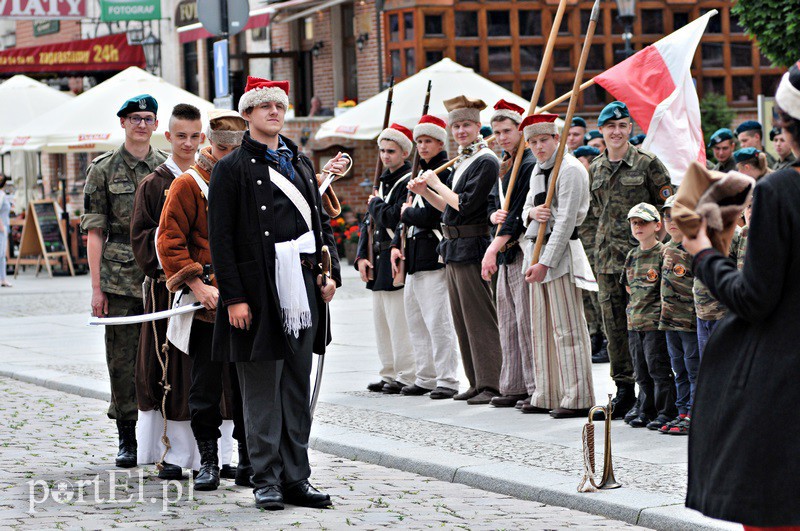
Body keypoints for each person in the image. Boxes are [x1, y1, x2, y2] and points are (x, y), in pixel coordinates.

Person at [207, 77, 342, 510]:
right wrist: (234, 298)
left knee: (296, 387)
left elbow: (319, 227)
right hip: (258, 291)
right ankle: (265, 477)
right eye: (264, 106)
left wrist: (329, 272)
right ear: (247, 114)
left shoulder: (299, 162)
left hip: (302, 287)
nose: (274, 113)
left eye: (279, 106)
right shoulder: (230, 169)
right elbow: (221, 240)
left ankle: (295, 477)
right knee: (263, 388)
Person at [683, 62, 800, 529]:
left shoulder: (782, 191)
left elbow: (754, 299)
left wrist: (705, 250)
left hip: (784, 385)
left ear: (786, 127)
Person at [157, 109, 251, 491]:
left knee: (247, 385)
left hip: (245, 298)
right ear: (211, 145)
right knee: (206, 386)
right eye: (225, 149)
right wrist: (197, 285)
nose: (231, 156)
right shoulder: (188, 185)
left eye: (237, 149)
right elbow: (169, 242)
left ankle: (249, 460)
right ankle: (209, 461)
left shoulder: (250, 178)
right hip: (207, 305)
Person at [130, 103, 221, 481]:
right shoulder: (154, 183)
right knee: (173, 375)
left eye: (194, 136)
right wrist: (183, 265)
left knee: (211, 376)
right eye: (180, 136)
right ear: (167, 137)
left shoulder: (218, 177)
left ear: (204, 138)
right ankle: (172, 453)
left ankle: (213, 456)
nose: (187, 143)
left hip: (212, 295)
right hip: (170, 293)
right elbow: (143, 240)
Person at [81, 94, 167, 467]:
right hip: (119, 280)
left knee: (166, 357)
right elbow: (94, 232)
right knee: (122, 360)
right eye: (135, 118)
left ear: (156, 124)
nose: (142, 124)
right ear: (123, 123)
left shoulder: (167, 168)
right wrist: (97, 289)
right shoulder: (102, 169)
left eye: (148, 118)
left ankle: (165, 434)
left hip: (162, 277)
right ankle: (127, 437)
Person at [409, 95, 502, 405]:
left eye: (466, 125)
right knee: (462, 319)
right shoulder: (465, 159)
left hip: (473, 244)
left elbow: (465, 205)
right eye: (456, 126)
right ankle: (475, 381)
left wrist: (435, 182)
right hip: (453, 244)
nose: (461, 131)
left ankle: (491, 382)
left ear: (478, 127)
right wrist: (428, 192)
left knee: (479, 318)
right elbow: (447, 210)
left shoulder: (486, 160)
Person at [589, 101, 673, 419]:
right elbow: (592, 217)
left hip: (642, 265)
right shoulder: (595, 168)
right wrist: (592, 252)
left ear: (630, 129)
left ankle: (651, 394)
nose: (616, 131)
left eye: (622, 125)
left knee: (645, 331)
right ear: (602, 131)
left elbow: (667, 212)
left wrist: (656, 254)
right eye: (610, 126)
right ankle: (624, 391)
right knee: (614, 329)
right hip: (607, 263)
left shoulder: (648, 164)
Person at [519, 113, 597, 418]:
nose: (538, 147)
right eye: (533, 142)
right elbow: (526, 207)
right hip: (535, 252)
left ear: (556, 139)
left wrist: (546, 263)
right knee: (542, 329)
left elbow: (565, 223)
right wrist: (533, 213)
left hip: (560, 256)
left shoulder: (571, 170)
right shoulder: (537, 171)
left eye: (543, 140)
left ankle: (578, 395)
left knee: (568, 329)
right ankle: (548, 392)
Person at [390, 115, 460, 399]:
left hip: (433, 254)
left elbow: (436, 214)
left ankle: (448, 378)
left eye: (427, 141)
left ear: (440, 142)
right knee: (416, 322)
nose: (422, 146)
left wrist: (407, 214)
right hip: (413, 257)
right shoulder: (419, 172)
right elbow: (406, 218)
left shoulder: (442, 173)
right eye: (419, 141)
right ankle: (426, 376)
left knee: (438, 322)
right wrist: (397, 241)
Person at [482, 100, 536, 408]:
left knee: (524, 322)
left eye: (508, 131)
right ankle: (513, 384)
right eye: (498, 132)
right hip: (502, 251)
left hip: (515, 249)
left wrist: (492, 247)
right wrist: (492, 218)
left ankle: (531, 385)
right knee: (507, 321)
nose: (502, 137)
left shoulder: (526, 164)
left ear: (520, 130)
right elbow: (494, 205)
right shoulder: (505, 164)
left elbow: (516, 214)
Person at [356, 123, 415, 395]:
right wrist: (360, 256)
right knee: (382, 321)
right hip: (377, 258)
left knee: (398, 320)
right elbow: (367, 223)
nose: (385, 156)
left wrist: (374, 204)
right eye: (382, 150)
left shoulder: (407, 181)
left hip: (394, 257)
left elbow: (393, 216)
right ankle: (388, 372)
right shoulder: (383, 181)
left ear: (404, 152)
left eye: (391, 151)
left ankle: (406, 374)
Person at [622, 203, 676, 429]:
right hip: (635, 322)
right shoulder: (632, 255)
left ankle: (666, 411)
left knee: (658, 369)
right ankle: (646, 409)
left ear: (657, 225)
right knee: (641, 371)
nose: (638, 227)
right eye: (634, 223)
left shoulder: (663, 253)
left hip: (655, 323)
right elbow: (628, 288)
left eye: (643, 222)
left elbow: (668, 288)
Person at [656, 195, 698, 436]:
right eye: (667, 216)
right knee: (678, 369)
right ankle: (681, 412)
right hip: (670, 321)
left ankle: (694, 413)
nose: (672, 221)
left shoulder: (695, 247)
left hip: (690, 322)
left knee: (693, 370)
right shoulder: (667, 248)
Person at [573, 145, 607, 363]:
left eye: (582, 161)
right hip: (582, 247)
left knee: (599, 295)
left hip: (597, 248)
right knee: (587, 296)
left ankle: (605, 339)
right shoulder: (580, 184)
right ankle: (594, 335)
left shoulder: (596, 186)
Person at [0, 176, 11, 287]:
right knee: (1, 254)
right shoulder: (1, 195)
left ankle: (3, 278)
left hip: (3, 226)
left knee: (2, 254)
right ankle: (2, 279)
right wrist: (1, 226)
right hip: (1, 227)